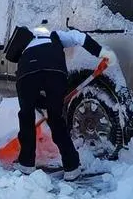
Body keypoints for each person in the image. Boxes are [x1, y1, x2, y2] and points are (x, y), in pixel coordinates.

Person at [11, 21, 108, 181]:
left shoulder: (25, 46)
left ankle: (26, 164)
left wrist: (39, 102)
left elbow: (32, 94)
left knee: (26, 116)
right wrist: (101, 52)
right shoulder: (55, 35)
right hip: (55, 70)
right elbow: (79, 36)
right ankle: (72, 167)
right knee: (56, 119)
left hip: (27, 73)